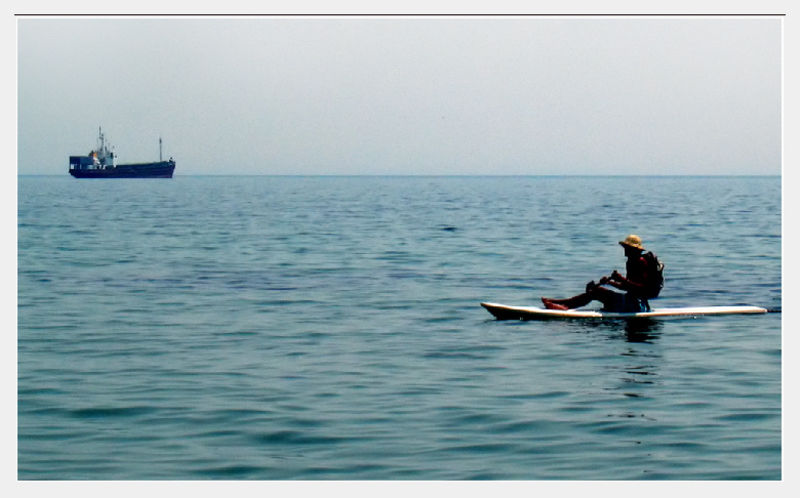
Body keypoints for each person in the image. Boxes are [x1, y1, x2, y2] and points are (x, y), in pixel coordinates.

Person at [541, 234, 658, 312]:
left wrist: (621, 279)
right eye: (625, 247)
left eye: (627, 247)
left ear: (634, 249)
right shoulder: (631, 261)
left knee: (596, 292)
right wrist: (609, 282)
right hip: (630, 302)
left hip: (637, 306)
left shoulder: (641, 262)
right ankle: (561, 303)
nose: (625, 250)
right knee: (597, 290)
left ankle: (564, 306)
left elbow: (642, 289)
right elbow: (627, 287)